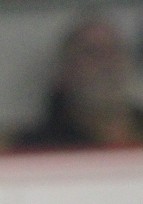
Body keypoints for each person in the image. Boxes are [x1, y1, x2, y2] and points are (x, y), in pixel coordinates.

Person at [14, 13, 143, 150]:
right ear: (65, 71)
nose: (108, 63)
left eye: (115, 50)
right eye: (91, 52)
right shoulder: (37, 148)